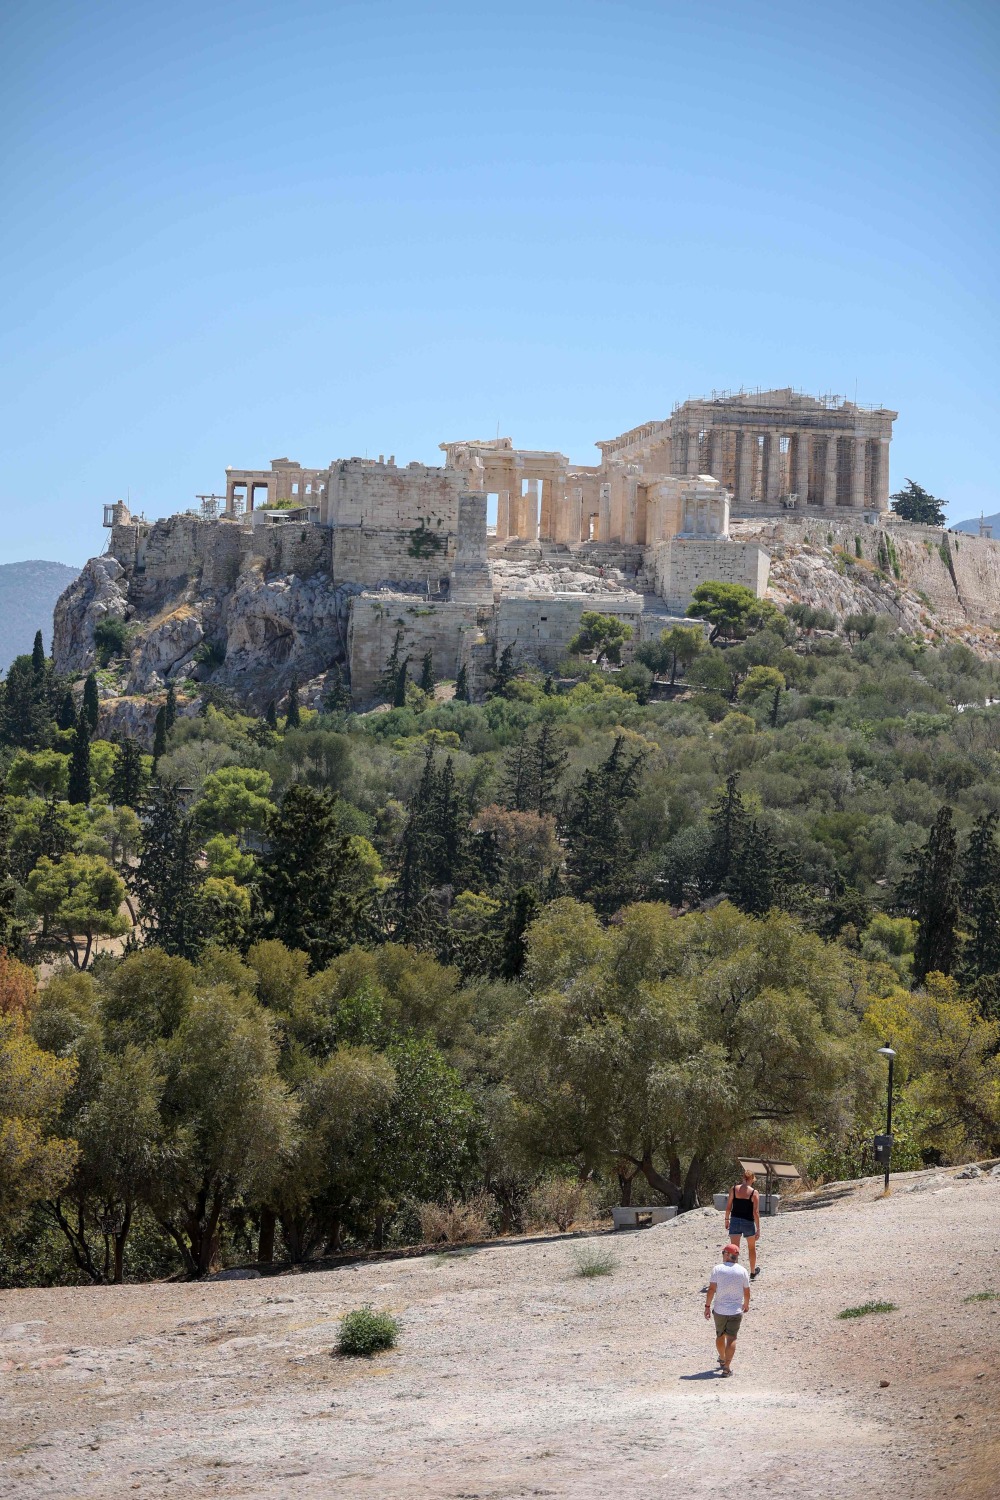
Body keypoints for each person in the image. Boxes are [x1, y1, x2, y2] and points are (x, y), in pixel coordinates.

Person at [704, 1241, 751, 1376]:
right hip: (735, 1310)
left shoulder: (717, 1269)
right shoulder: (742, 1271)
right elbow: (747, 1291)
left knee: (720, 1335)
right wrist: (746, 1304)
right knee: (731, 1338)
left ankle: (722, 1358)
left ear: (727, 1254)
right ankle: (727, 1367)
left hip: (719, 1310)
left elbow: (712, 1289)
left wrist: (707, 1306)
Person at [725, 1168, 761, 1278]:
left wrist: (727, 1219)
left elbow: (728, 1207)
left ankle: (733, 1273)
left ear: (743, 1178)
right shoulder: (754, 1193)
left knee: (734, 1249)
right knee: (751, 1248)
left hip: (735, 1220)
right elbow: (755, 1212)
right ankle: (752, 1272)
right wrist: (758, 1228)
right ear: (752, 1179)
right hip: (748, 1222)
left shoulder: (734, 1189)